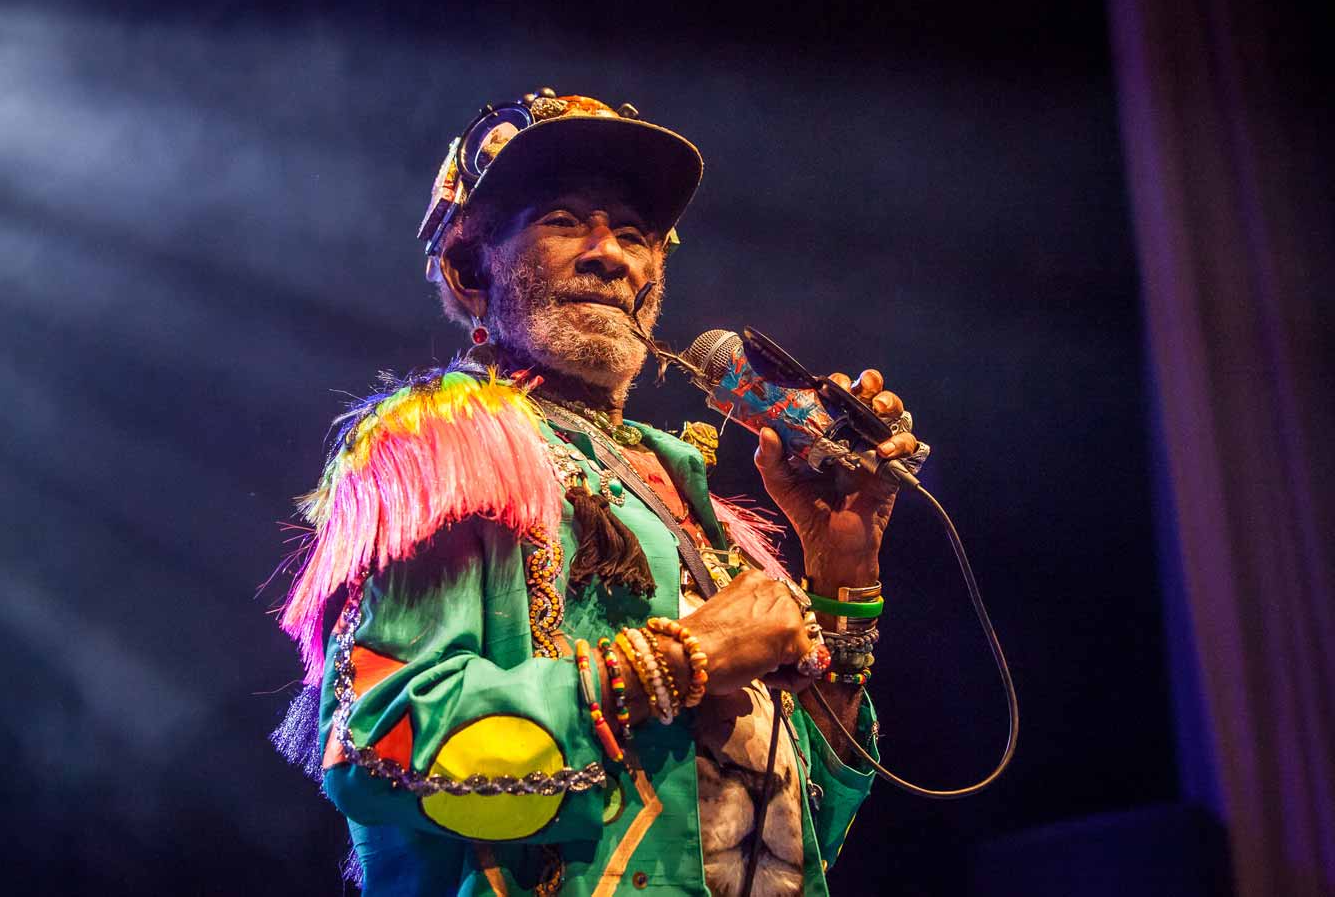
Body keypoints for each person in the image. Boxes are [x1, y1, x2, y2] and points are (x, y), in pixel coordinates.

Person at [275, 89, 925, 897]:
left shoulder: (695, 506)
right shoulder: (445, 443)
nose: (609, 254)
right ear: (472, 268)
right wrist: (682, 659)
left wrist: (840, 577)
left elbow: (798, 832)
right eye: (562, 220)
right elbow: (381, 745)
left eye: (634, 234)